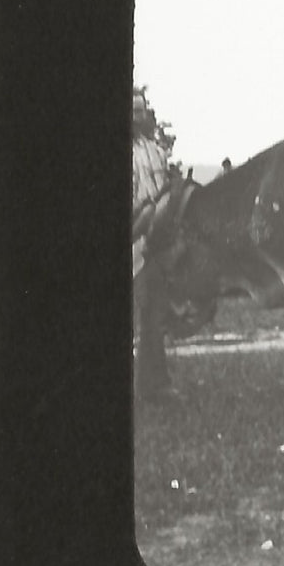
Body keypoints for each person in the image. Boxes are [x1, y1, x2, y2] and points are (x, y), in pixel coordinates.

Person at [132, 91, 172, 397]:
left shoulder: (156, 151)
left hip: (156, 245)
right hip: (133, 242)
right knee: (139, 318)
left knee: (155, 317)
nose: (138, 117)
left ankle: (157, 385)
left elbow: (167, 192)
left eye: (141, 111)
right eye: (133, 111)